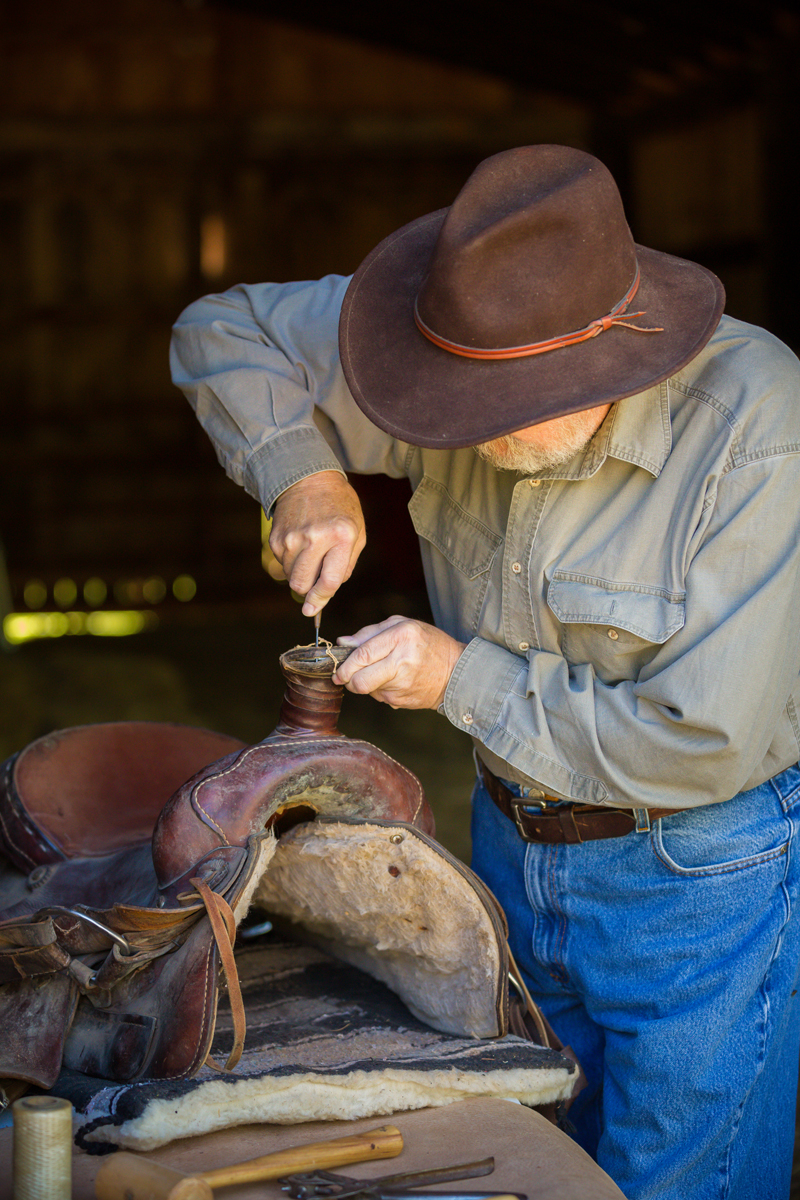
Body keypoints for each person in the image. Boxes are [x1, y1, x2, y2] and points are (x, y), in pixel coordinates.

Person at [170, 144, 800, 1200]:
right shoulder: (451, 340)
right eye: (443, 397)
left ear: (610, 360)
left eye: (501, 403)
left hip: (694, 877)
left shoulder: (755, 427)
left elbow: (706, 739)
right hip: (506, 845)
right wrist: (303, 475)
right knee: (534, 1168)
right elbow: (220, 329)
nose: (459, 428)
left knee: (676, 1183)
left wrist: (458, 679)